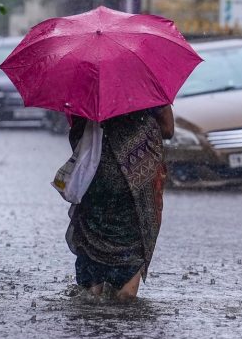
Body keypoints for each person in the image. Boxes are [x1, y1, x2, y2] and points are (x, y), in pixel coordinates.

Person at [66, 105, 175, 302]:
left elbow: (76, 131)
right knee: (132, 244)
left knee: (92, 249)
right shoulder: (143, 83)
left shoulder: (87, 87)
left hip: (95, 181)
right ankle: (124, 298)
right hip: (136, 182)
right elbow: (167, 130)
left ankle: (94, 293)